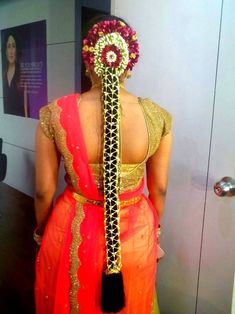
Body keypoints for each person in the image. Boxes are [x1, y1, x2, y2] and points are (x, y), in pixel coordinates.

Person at [34, 15, 172, 314]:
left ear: (88, 61)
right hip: (135, 235)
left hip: (71, 230)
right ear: (128, 63)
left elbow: (43, 192)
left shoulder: (55, 114)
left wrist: (41, 232)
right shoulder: (158, 116)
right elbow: (159, 189)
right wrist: (154, 230)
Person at [2, 33, 27, 117]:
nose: (11, 51)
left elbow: (25, 105)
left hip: (19, 121)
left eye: (13, 46)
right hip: (6, 121)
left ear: (17, 49)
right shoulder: (2, 74)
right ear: (5, 51)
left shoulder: (22, 74)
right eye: (8, 46)